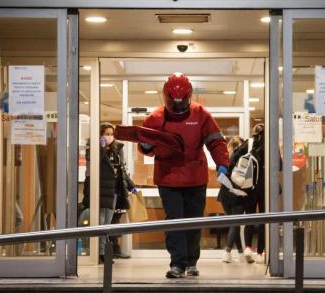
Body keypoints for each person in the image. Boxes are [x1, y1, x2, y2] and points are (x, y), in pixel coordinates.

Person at [139, 73, 229, 278]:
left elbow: (215, 142)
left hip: (195, 178)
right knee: (174, 222)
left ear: (189, 97)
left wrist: (222, 163)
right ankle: (177, 264)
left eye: (183, 103)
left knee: (194, 221)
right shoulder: (155, 118)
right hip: (168, 178)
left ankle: (191, 262)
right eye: (174, 104)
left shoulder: (201, 115)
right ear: (166, 98)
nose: (179, 108)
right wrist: (145, 146)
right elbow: (148, 148)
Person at [83, 123, 137, 263]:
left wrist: (131, 186)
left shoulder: (117, 149)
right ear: (100, 135)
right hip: (100, 189)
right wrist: (100, 147)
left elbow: (122, 170)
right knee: (100, 222)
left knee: (107, 222)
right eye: (106, 134)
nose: (109, 137)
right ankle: (99, 253)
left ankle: (104, 252)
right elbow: (94, 162)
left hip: (113, 189)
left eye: (111, 134)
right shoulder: (93, 148)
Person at [217, 136, 249, 263]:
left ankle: (240, 253)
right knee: (235, 224)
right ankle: (227, 252)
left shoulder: (224, 159)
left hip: (225, 195)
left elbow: (219, 176)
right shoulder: (242, 160)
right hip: (237, 194)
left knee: (233, 224)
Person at [243, 123, 266, 264]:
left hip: (249, 187)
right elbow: (280, 165)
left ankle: (247, 248)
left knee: (250, 218)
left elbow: (233, 160)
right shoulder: (270, 146)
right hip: (264, 188)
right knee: (264, 219)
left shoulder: (248, 144)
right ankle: (260, 252)